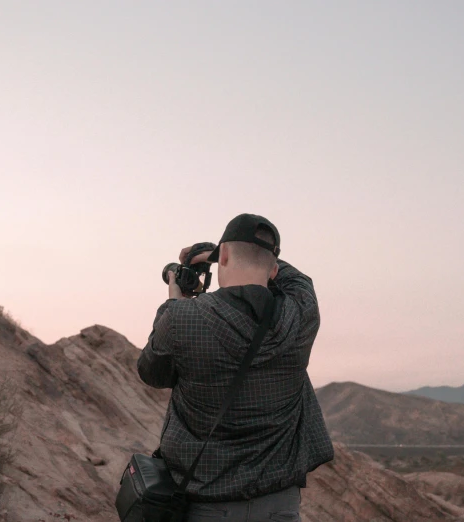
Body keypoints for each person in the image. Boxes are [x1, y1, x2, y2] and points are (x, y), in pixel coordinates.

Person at [137, 213, 334, 522]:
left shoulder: (181, 319)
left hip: (206, 506)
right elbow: (298, 280)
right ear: (274, 269)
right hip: (280, 507)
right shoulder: (302, 312)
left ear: (224, 255)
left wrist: (173, 304)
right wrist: (227, 251)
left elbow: (152, 373)